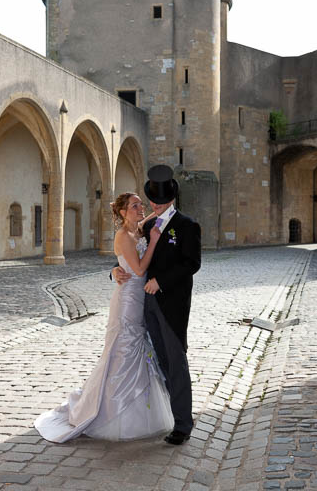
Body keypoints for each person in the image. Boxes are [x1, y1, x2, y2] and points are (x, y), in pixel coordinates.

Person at [34, 192, 174, 443]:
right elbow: (140, 269)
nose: (141, 208)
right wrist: (153, 241)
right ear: (122, 212)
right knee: (122, 350)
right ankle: (110, 411)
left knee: (137, 348)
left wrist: (164, 205)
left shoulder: (138, 229)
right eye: (135, 205)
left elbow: (155, 215)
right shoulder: (124, 235)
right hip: (127, 302)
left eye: (141, 203)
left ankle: (138, 408)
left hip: (139, 299)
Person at [113, 165, 201, 445]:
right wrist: (113, 271)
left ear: (171, 199)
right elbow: (127, 255)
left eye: (161, 202)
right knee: (159, 362)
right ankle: (165, 414)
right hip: (143, 306)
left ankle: (183, 425)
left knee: (176, 363)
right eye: (153, 201)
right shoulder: (147, 226)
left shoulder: (188, 226)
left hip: (172, 306)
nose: (155, 205)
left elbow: (191, 264)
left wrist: (161, 281)